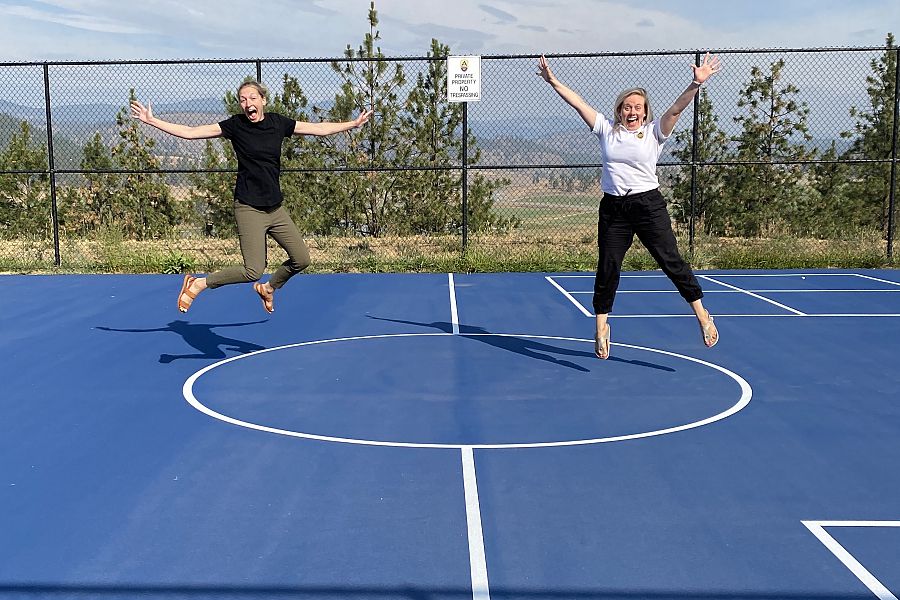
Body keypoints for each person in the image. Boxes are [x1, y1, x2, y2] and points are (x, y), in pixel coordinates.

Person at [130, 80, 373, 314]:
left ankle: (268, 288)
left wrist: (352, 124)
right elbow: (191, 132)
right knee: (252, 271)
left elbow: (319, 129)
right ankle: (198, 284)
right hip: (248, 207)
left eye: (253, 98)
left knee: (302, 259)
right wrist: (152, 121)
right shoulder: (235, 126)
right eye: (243, 100)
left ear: (263, 100)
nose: (248, 103)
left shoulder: (278, 123)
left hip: (275, 209)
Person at [537, 53, 721, 359]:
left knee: (671, 261)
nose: (631, 111)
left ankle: (702, 315)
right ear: (619, 111)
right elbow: (577, 102)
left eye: (637, 107)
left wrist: (694, 84)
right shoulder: (606, 129)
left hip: (648, 206)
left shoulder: (654, 132)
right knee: (608, 266)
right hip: (614, 209)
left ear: (646, 112)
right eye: (626, 107)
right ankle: (601, 330)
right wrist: (552, 80)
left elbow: (677, 109)